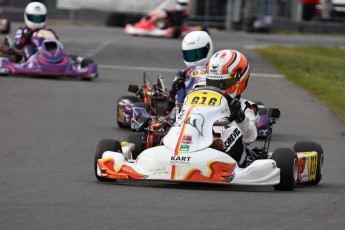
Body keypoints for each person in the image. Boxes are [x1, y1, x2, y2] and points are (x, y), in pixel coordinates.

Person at [205, 49, 259, 167]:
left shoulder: (246, 107)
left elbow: (250, 137)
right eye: (212, 82)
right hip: (199, 144)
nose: (216, 88)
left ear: (239, 80)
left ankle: (216, 148)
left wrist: (239, 117)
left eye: (221, 83)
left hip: (232, 156)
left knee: (233, 130)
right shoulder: (204, 102)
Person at [169, 30, 213, 107]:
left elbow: (171, 94)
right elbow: (171, 94)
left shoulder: (216, 71)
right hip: (184, 108)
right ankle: (180, 106)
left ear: (208, 49)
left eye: (197, 54)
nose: (194, 59)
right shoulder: (182, 74)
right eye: (190, 55)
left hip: (211, 104)